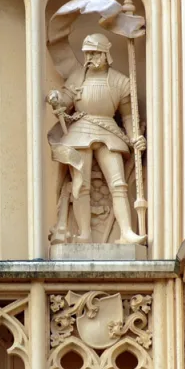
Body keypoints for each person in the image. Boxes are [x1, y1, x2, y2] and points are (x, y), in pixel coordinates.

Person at [47, 33, 146, 244]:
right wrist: (56, 99)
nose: (90, 57)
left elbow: (128, 116)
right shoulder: (78, 77)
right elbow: (66, 100)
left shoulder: (120, 81)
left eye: (94, 52)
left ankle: (126, 232)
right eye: (87, 53)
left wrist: (135, 136)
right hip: (81, 129)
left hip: (109, 128)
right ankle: (85, 233)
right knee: (81, 184)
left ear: (105, 53)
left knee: (118, 184)